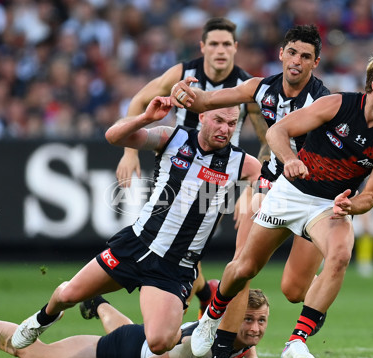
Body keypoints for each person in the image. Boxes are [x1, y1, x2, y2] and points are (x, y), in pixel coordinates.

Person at [189, 51, 373, 358]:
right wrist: (290, 160)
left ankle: (297, 340)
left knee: (340, 254)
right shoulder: (336, 104)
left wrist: (353, 205)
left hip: (328, 207)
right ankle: (210, 318)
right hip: (290, 193)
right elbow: (277, 132)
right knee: (244, 268)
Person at [9, 96, 261, 355]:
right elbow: (113, 137)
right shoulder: (173, 138)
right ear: (203, 117)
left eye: (231, 124)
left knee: (159, 343)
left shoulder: (241, 163)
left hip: (174, 267)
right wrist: (144, 118)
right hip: (137, 243)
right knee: (68, 296)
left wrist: (251, 194)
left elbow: (261, 179)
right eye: (218, 120)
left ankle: (194, 323)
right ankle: (43, 319)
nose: (224, 129)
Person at [170, 24, 330, 358]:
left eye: (306, 56)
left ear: (315, 62)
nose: (297, 61)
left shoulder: (323, 102)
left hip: (310, 196)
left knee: (293, 289)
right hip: (270, 188)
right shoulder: (261, 88)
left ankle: (319, 297)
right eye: (292, 53)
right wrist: (182, 93)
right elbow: (207, 101)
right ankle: (218, 355)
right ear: (281, 54)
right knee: (241, 268)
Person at [114, 17, 269, 318]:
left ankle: (187, 298)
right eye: (214, 44)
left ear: (236, 48)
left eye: (226, 44)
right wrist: (129, 154)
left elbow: (268, 140)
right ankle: (199, 294)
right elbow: (137, 101)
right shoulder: (183, 73)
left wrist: (251, 189)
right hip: (176, 164)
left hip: (218, 175)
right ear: (203, 47)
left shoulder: (247, 86)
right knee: (173, 240)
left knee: (182, 242)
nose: (220, 50)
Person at [0, 289, 270, 358]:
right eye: (248, 320)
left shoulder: (229, 336)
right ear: (230, 322)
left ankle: (98, 302)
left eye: (261, 321)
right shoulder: (204, 349)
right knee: (34, 357)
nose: (254, 329)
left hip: (139, 337)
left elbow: (237, 336)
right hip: (124, 351)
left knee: (134, 330)